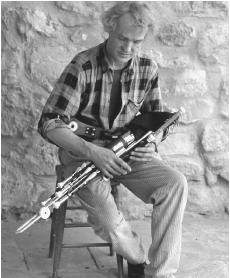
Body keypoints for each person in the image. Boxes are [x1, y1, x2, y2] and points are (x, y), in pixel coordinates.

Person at [38, 2, 188, 278]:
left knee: (175, 184)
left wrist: (153, 142)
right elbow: (49, 123)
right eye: (122, 38)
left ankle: (162, 273)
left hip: (127, 153)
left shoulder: (147, 68)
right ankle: (136, 257)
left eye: (136, 42)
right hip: (83, 155)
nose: (128, 48)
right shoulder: (82, 65)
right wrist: (92, 151)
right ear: (109, 28)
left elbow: (157, 119)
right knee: (108, 220)